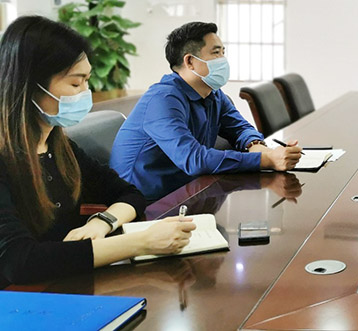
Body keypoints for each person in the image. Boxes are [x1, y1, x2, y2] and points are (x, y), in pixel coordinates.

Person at [0, 16, 196, 287]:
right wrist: (141, 243)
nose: (86, 93)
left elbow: (129, 193)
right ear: (31, 86)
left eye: (87, 81)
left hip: (67, 285)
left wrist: (101, 223)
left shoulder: (60, 147)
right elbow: (20, 261)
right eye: (75, 83)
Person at [111, 22, 301, 201]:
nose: (223, 60)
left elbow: (240, 127)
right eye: (216, 53)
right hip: (143, 203)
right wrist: (265, 159)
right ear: (190, 61)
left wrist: (256, 145)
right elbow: (194, 159)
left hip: (188, 191)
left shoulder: (213, 94)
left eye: (223, 52)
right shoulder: (162, 100)